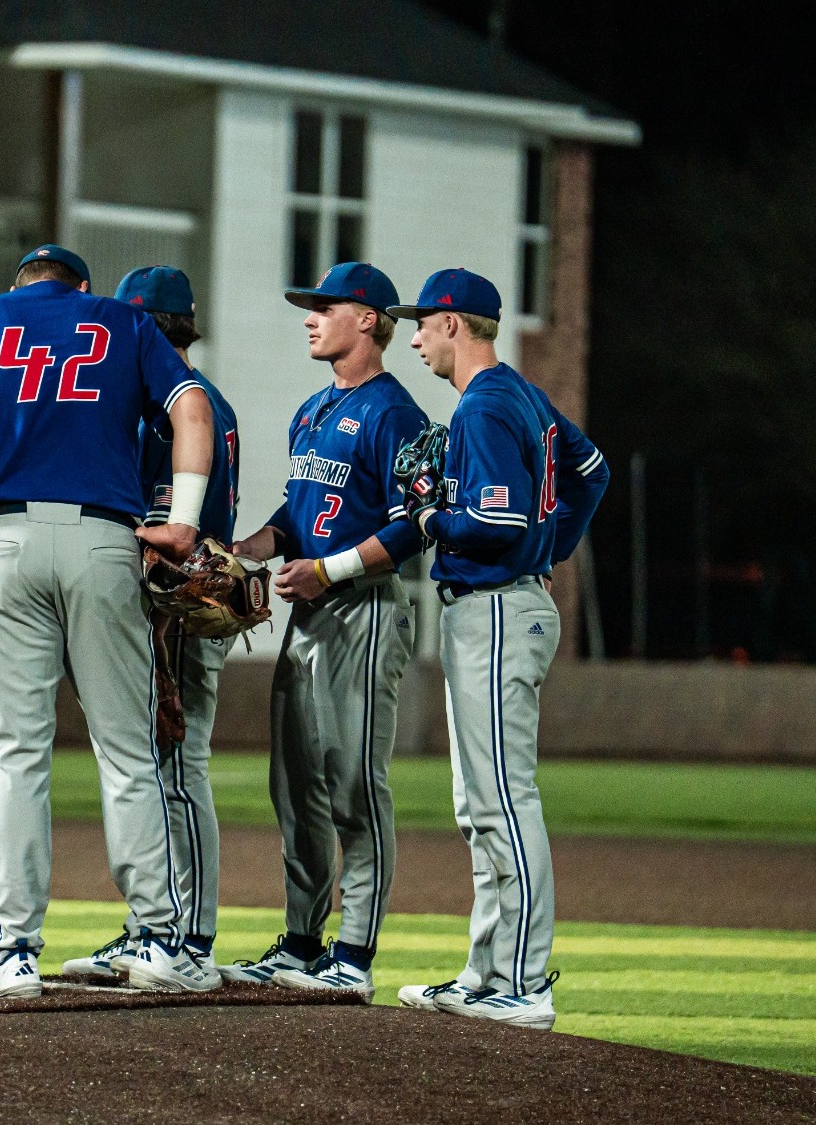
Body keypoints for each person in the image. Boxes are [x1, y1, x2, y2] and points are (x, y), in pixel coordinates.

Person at [0, 244, 218, 997]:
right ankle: (160, 939)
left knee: (15, 755)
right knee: (128, 751)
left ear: (18, 286)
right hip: (106, 537)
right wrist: (186, 520)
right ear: (83, 287)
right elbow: (191, 406)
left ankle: (14, 954)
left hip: (4, 537)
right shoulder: (123, 323)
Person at [386, 268, 609, 1030]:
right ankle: (487, 973)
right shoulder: (522, 395)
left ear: (454, 323)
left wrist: (428, 518)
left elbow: (497, 526)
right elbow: (592, 473)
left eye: (422, 322)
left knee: (504, 799)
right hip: (505, 605)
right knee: (480, 802)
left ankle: (522, 980)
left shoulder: (483, 407)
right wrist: (553, 548)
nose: (412, 336)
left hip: (495, 611)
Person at [221, 262, 430, 998]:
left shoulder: (396, 414)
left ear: (369, 319)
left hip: (364, 608)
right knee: (295, 785)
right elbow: (298, 512)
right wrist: (250, 548)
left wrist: (328, 570)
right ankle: (304, 941)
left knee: (353, 786)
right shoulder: (311, 410)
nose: (310, 317)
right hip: (312, 611)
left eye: (325, 306)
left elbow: (414, 527)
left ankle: (356, 957)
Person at [61, 265, 241, 983]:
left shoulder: (184, 407)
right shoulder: (175, 402)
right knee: (151, 767)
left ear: (150, 327)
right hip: (155, 606)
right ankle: (149, 928)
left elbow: (172, 531)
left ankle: (189, 938)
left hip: (184, 609)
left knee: (177, 765)